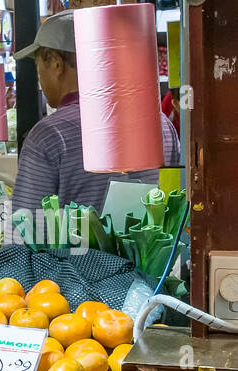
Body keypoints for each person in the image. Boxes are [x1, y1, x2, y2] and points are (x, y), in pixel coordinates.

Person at [11, 10, 180, 219]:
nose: (39, 79)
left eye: (38, 67)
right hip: (153, 253)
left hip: (77, 253)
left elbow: (25, 229)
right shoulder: (161, 123)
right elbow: (173, 206)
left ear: (56, 63)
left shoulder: (48, 136)